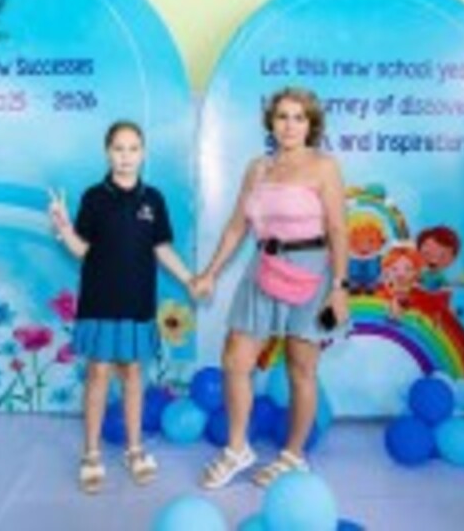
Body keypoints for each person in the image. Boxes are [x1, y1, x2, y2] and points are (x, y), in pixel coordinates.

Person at [193, 87, 349, 489]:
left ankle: (293, 456)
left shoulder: (324, 167)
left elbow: (338, 229)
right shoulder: (257, 169)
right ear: (271, 122)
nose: (290, 125)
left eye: (299, 117)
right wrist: (210, 272)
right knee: (235, 359)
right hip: (262, 267)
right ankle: (236, 450)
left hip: (312, 272)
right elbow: (236, 227)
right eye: (282, 116)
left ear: (311, 124)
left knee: (301, 367)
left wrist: (339, 287)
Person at [49, 120, 193, 493]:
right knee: (98, 373)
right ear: (107, 152)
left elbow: (162, 249)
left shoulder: (153, 199)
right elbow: (82, 250)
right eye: (118, 148)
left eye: (133, 149)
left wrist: (190, 279)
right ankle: (91, 453)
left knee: (132, 372)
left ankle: (134, 449)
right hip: (99, 301)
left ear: (143, 153)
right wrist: (64, 227)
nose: (126, 156)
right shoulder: (94, 197)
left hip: (137, 302)